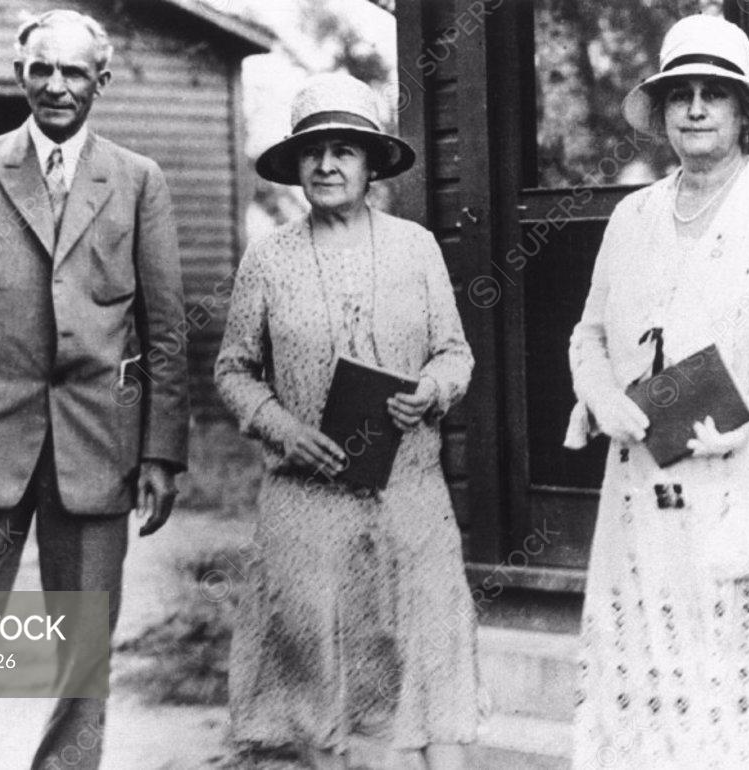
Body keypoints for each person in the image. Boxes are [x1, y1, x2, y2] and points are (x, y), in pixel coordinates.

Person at [0, 9, 189, 768]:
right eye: (41, 69)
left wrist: (160, 453)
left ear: (102, 80)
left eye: (74, 71)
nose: (56, 86)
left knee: (81, 660)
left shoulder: (137, 181)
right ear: (18, 73)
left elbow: (164, 333)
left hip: (97, 451)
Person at [215, 73, 478, 770]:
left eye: (345, 150)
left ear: (370, 164)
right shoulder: (267, 258)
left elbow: (454, 353)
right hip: (306, 504)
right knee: (315, 683)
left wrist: (429, 390)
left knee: (423, 664)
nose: (327, 165)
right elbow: (232, 371)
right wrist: (281, 427)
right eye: (313, 152)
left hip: (409, 497)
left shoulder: (414, 247)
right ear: (295, 166)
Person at [565, 14, 749, 768]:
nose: (695, 109)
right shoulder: (631, 216)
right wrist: (599, 394)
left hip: (748, 470)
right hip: (642, 481)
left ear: (741, 112)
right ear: (661, 113)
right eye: (679, 95)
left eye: (713, 94)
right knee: (646, 667)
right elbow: (588, 332)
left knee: (737, 673)